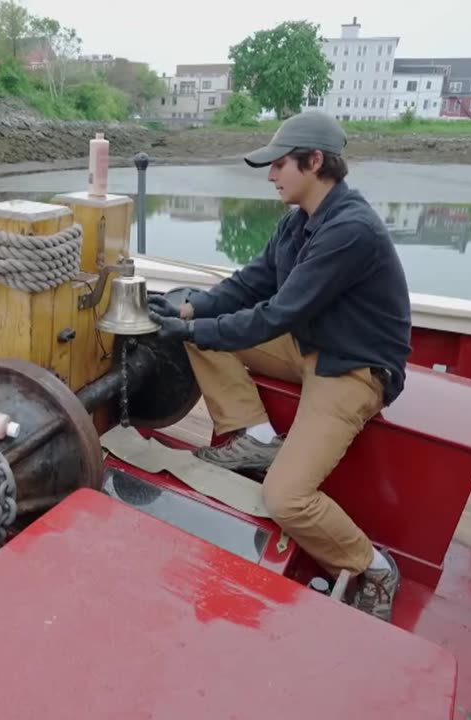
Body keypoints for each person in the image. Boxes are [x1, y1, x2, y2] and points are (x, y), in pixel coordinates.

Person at [147, 111, 412, 621]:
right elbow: (250, 284)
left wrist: (195, 328)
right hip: (310, 345)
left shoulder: (350, 230)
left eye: (279, 165)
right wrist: (185, 311)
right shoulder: (298, 223)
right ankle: (258, 437)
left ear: (315, 162)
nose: (270, 175)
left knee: (286, 499)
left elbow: (278, 313)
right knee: (204, 332)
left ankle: (374, 566)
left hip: (353, 366)